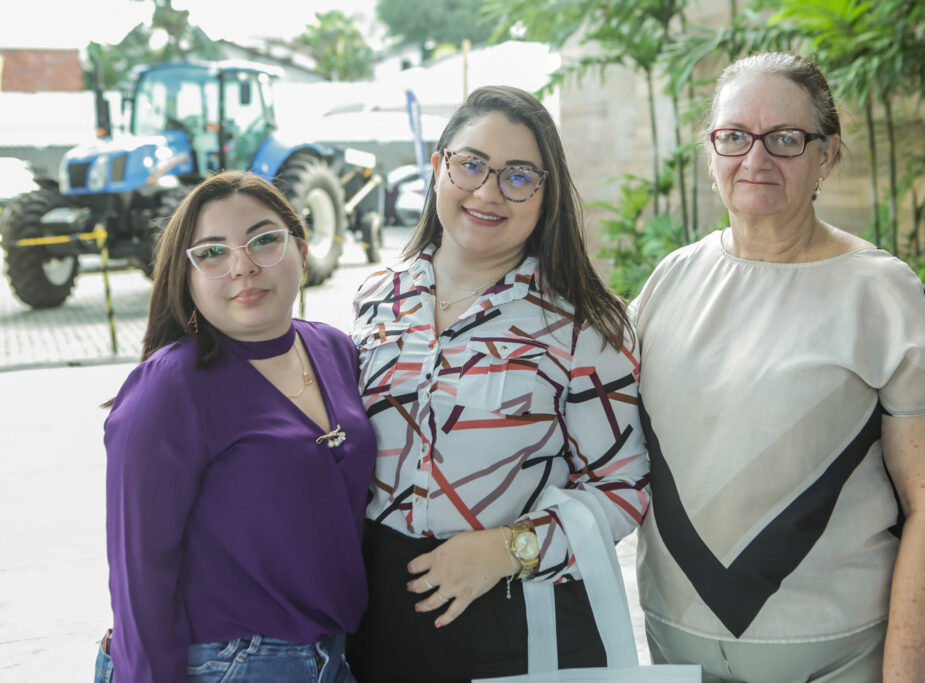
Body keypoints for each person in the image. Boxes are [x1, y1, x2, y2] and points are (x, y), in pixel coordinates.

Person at [631, 52, 925, 682]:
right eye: (733, 136)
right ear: (710, 151)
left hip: (836, 656)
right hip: (674, 649)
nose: (755, 159)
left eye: (785, 139)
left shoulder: (883, 296)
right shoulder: (669, 281)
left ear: (828, 156)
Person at [345, 85, 651, 682]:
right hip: (376, 616)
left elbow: (624, 486)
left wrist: (508, 550)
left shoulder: (583, 325)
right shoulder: (376, 298)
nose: (488, 191)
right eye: (471, 164)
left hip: (518, 614)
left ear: (546, 194)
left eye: (518, 176)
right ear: (438, 168)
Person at [95, 171, 375, 682]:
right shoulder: (170, 386)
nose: (243, 267)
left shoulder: (336, 350)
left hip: (330, 657)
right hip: (225, 663)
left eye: (265, 240)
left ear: (302, 248)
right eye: (212, 253)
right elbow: (139, 573)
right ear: (188, 276)